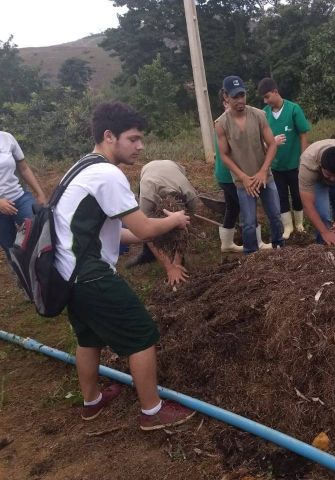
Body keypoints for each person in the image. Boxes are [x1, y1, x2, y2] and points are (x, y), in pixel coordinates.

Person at [54, 102, 196, 430]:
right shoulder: (107, 173)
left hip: (66, 273)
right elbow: (146, 229)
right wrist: (173, 219)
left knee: (89, 338)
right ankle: (152, 411)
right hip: (89, 274)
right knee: (142, 334)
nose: (140, 146)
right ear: (109, 136)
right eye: (133, 139)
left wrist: (160, 226)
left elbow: (122, 232)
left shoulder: (81, 167)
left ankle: (92, 402)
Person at [215, 75, 284, 254]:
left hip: (264, 177)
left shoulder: (259, 115)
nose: (240, 100)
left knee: (276, 216)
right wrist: (243, 177)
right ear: (226, 97)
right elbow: (224, 155)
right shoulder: (221, 123)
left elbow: (272, 144)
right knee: (248, 224)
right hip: (243, 181)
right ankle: (251, 256)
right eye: (235, 96)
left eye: (242, 95)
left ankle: (279, 249)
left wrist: (263, 171)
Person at [125, 159, 197, 286]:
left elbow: (186, 227)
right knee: (151, 226)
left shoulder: (190, 196)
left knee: (178, 225)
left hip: (174, 166)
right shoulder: (147, 196)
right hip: (148, 170)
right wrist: (170, 268)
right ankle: (147, 254)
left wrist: (177, 263)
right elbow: (145, 230)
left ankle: (177, 255)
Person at [258, 77, 311, 239]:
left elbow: (303, 135)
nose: (266, 101)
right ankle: (287, 227)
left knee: (297, 194)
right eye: (264, 98)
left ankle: (299, 224)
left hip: (295, 164)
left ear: (275, 92)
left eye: (268, 96)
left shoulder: (293, 109)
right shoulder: (264, 114)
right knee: (281, 196)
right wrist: (271, 144)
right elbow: (260, 141)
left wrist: (303, 159)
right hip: (275, 165)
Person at [0, 131, 46, 259]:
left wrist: (40, 193)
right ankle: (20, 275)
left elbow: (24, 168)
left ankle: (41, 269)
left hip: (19, 197)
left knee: (37, 230)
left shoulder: (7, 138)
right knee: (9, 247)